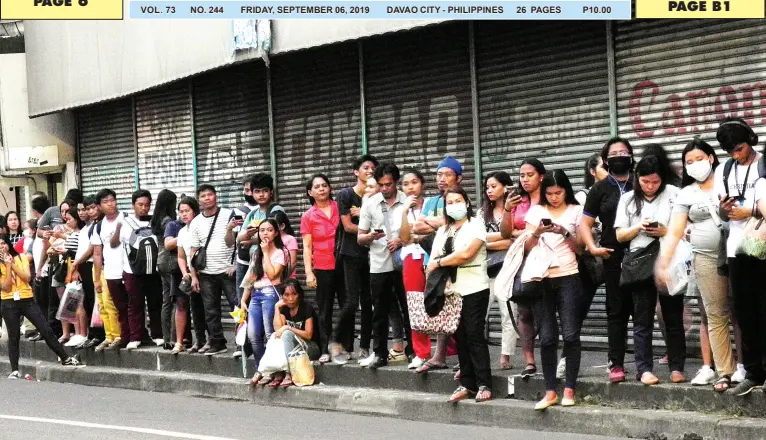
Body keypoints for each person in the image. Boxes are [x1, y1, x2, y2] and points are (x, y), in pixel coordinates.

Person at [656, 138, 737, 392]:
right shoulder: (686, 193)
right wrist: (664, 260)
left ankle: (752, 367)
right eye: (688, 162)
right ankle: (725, 371)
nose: (694, 165)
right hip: (705, 259)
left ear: (711, 158)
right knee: (715, 315)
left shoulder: (729, 179)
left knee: (746, 312)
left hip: (739, 254)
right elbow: (676, 229)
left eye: (699, 159)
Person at [615, 155, 684, 386]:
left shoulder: (674, 193)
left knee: (673, 316)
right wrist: (638, 227)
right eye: (645, 182)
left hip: (668, 259)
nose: (650, 186)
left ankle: (677, 367)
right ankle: (644, 369)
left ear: (662, 179)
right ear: (637, 179)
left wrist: (666, 231)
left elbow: (686, 227)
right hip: (641, 262)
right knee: (642, 319)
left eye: (655, 182)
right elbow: (619, 235)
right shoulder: (627, 200)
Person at [523, 170, 584, 410]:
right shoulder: (537, 211)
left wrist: (564, 232)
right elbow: (526, 247)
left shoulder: (575, 211)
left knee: (571, 334)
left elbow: (581, 249)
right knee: (547, 336)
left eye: (558, 193)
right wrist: (537, 233)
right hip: (541, 278)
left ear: (566, 190)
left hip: (569, 275)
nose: (554, 197)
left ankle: (570, 388)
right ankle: (550, 391)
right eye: (549, 193)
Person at [426, 186, 492, 403]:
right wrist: (435, 263)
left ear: (467, 202)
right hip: (451, 290)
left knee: (474, 335)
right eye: (450, 202)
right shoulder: (444, 230)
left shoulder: (476, 225)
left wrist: (440, 262)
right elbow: (433, 258)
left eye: (458, 200)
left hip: (474, 287)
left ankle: (484, 383)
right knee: (460, 336)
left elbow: (466, 254)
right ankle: (467, 383)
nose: (454, 205)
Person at [715, 117, 766, 396]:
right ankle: (754, 372)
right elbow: (721, 213)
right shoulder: (724, 170)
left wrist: (752, 212)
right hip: (738, 248)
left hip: (763, 245)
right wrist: (726, 210)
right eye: (731, 151)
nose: (736, 154)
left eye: (740, 148)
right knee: (745, 314)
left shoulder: (763, 163)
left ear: (750, 140)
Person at [579, 137, 635, 383]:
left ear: (632, 156)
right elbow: (585, 222)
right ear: (606, 159)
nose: (619, 155)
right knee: (617, 311)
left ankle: (647, 363)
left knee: (644, 310)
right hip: (613, 256)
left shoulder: (641, 182)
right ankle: (617, 363)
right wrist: (593, 248)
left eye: (624, 151)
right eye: (614, 153)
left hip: (643, 253)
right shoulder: (600, 189)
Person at [0, 234, 83, 379]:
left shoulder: (21, 257)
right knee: (13, 337)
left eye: (3, 243)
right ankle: (14, 369)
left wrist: (12, 264)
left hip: (27, 299)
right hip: (9, 302)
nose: (1, 247)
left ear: (8, 244)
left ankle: (65, 358)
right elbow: (6, 287)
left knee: (45, 329)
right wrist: (7, 267)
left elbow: (27, 277)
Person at [409, 155, 463, 373]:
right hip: (432, 261)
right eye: (439, 174)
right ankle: (439, 355)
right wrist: (441, 223)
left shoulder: (460, 198)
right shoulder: (431, 202)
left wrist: (433, 224)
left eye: (447, 174)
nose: (442, 179)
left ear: (458, 177)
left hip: (456, 260)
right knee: (440, 307)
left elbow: (459, 222)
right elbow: (416, 228)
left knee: (459, 310)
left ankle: (463, 356)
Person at [358, 163, 411, 369]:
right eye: (380, 185)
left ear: (396, 182)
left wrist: (400, 241)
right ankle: (379, 352)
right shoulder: (370, 203)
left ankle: (413, 350)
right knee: (379, 310)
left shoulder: (407, 201)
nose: (384, 188)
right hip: (379, 263)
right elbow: (360, 237)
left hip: (403, 261)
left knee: (408, 308)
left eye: (388, 184)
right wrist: (369, 236)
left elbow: (418, 231)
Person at [499, 158, 546, 379]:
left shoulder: (550, 197)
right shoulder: (518, 200)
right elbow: (506, 233)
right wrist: (507, 210)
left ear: (541, 176)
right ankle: (529, 360)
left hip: (548, 259)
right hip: (522, 260)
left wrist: (525, 232)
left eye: (529, 175)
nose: (525, 179)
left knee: (546, 310)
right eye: (522, 175)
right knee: (524, 310)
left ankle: (551, 356)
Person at [332, 154, 378, 364]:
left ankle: (365, 347)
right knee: (351, 301)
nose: (370, 171)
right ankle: (337, 341)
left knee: (369, 301)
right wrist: (365, 224)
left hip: (373, 253)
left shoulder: (376, 195)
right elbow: (347, 226)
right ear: (356, 172)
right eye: (366, 167)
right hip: (351, 253)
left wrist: (362, 214)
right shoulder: (345, 195)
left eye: (373, 168)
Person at [233, 174, 284, 360]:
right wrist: (246, 234)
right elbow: (239, 239)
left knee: (271, 324)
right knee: (245, 305)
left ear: (271, 192)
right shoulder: (253, 214)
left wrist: (252, 238)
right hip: (255, 264)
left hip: (271, 265)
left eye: (264, 191)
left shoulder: (276, 209)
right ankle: (245, 346)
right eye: (257, 191)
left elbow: (273, 235)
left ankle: (275, 363)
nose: (261, 195)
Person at [189, 184, 239, 356]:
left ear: (216, 196)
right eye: (203, 196)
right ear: (199, 200)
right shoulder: (195, 222)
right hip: (206, 273)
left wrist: (237, 265)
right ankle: (218, 342)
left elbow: (236, 242)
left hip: (227, 271)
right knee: (210, 310)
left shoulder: (229, 214)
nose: (207, 198)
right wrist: (194, 276)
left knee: (238, 307)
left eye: (210, 194)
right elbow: (193, 251)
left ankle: (242, 341)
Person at [301, 174, 343, 364]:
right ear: (310, 192)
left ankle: (345, 345)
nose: (321, 189)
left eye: (324, 185)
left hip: (344, 264)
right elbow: (307, 247)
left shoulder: (340, 207)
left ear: (330, 188)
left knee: (347, 305)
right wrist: (309, 272)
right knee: (325, 310)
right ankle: (326, 348)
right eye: (317, 187)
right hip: (322, 266)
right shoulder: (308, 216)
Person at [113, 190, 163, 350]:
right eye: (140, 205)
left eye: (147, 205)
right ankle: (136, 337)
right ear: (133, 205)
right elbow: (115, 244)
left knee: (155, 303)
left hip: (153, 270)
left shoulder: (155, 221)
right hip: (132, 271)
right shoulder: (126, 222)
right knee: (135, 304)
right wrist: (118, 229)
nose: (144, 208)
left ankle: (157, 334)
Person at [241, 218, 286, 385]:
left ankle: (275, 371)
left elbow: (273, 274)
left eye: (269, 230)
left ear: (275, 233)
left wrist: (266, 253)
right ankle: (262, 369)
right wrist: (244, 299)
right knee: (254, 335)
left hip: (270, 294)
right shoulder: (256, 253)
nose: (265, 233)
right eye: (262, 230)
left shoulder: (280, 252)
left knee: (270, 334)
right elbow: (251, 276)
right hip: (256, 294)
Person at [481, 171, 517, 370]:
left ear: (505, 187)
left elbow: (516, 240)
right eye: (487, 187)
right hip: (486, 269)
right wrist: (504, 240)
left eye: (494, 186)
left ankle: (505, 356)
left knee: (509, 313)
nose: (489, 190)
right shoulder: (481, 213)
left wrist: (491, 240)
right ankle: (476, 355)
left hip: (509, 269)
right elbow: (478, 240)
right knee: (479, 314)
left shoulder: (515, 210)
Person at [398, 168, 433, 370]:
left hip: (434, 257)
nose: (410, 187)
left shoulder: (432, 204)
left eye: (414, 182)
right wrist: (404, 212)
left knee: (443, 300)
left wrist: (416, 235)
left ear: (422, 184)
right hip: (412, 258)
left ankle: (447, 350)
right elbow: (404, 238)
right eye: (406, 184)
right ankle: (421, 352)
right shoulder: (401, 209)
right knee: (415, 304)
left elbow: (433, 229)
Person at [169, 196, 208, 354]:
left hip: (204, 272)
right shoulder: (182, 232)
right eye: (181, 212)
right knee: (187, 306)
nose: (184, 214)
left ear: (195, 211)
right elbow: (180, 256)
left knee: (206, 308)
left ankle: (211, 340)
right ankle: (192, 341)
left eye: (187, 211)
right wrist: (185, 272)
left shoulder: (201, 227)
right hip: (189, 275)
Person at [266, 279, 321, 388]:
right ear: (282, 296)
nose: (290, 299)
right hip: (293, 350)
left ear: (299, 295)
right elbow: (278, 331)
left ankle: (288, 373)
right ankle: (271, 372)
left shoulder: (307, 308)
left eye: (294, 294)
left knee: (286, 333)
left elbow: (308, 335)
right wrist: (277, 308)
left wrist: (288, 327)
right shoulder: (284, 309)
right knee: (276, 336)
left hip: (311, 348)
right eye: (286, 295)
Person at [93, 189, 128, 350]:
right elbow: (97, 253)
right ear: (100, 206)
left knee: (127, 305)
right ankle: (112, 335)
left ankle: (124, 335)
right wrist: (98, 277)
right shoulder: (99, 226)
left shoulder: (126, 218)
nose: (110, 204)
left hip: (127, 269)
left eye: (112, 200)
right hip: (110, 270)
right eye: (106, 201)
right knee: (107, 305)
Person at [70, 196, 107, 349]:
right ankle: (92, 334)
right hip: (86, 267)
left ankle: (100, 334)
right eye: (83, 209)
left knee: (99, 302)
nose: (86, 212)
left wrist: (76, 264)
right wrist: (77, 266)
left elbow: (92, 250)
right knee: (89, 302)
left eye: (90, 208)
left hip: (96, 265)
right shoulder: (86, 229)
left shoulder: (100, 225)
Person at [152, 189, 179, 350]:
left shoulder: (156, 219)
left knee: (166, 302)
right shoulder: (168, 221)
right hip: (170, 261)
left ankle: (166, 337)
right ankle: (174, 338)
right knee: (175, 300)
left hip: (160, 261)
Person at [271, 211, 298, 279]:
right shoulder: (269, 239)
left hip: (286, 279)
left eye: (273, 224)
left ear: (282, 226)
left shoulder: (290, 239)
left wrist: (283, 278)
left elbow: (293, 262)